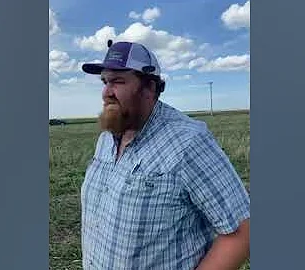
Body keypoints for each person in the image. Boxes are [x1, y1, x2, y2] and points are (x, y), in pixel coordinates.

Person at [80, 40, 250, 270]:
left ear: (150, 87)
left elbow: (243, 232)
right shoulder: (107, 138)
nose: (106, 93)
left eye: (118, 81)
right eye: (105, 81)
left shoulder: (188, 141)